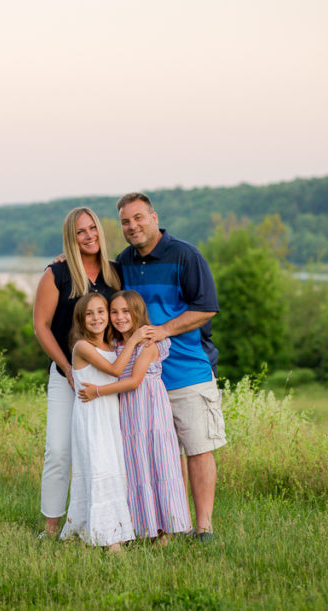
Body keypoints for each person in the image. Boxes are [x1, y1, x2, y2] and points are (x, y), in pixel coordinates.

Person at [115, 192, 226, 542]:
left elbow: (206, 308)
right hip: (145, 378)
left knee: (197, 447)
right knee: (161, 453)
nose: (132, 226)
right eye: (125, 222)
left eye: (138, 218)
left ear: (153, 217)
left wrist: (163, 330)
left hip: (188, 370)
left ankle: (204, 526)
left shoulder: (186, 255)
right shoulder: (124, 261)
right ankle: (170, 522)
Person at [32, 207, 122, 537]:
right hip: (66, 376)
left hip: (107, 378)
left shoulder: (115, 273)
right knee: (58, 450)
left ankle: (110, 521)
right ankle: (52, 526)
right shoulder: (57, 273)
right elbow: (40, 326)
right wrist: (68, 368)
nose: (89, 236)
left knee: (107, 450)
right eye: (81, 232)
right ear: (71, 238)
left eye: (93, 228)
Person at [78, 290, 192, 542]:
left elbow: (134, 381)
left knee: (159, 464)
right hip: (128, 415)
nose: (119, 317)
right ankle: (146, 527)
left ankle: (167, 531)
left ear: (137, 312)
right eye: (115, 312)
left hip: (151, 411)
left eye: (125, 311)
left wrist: (97, 391)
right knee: (137, 467)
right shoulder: (116, 344)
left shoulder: (148, 343)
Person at [59, 292, 151, 551]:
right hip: (92, 416)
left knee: (113, 469)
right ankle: (108, 539)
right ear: (80, 319)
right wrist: (134, 339)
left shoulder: (111, 345)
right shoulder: (82, 346)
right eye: (89, 314)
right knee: (99, 468)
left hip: (111, 415)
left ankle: (108, 528)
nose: (96, 318)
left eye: (101, 311)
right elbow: (115, 371)